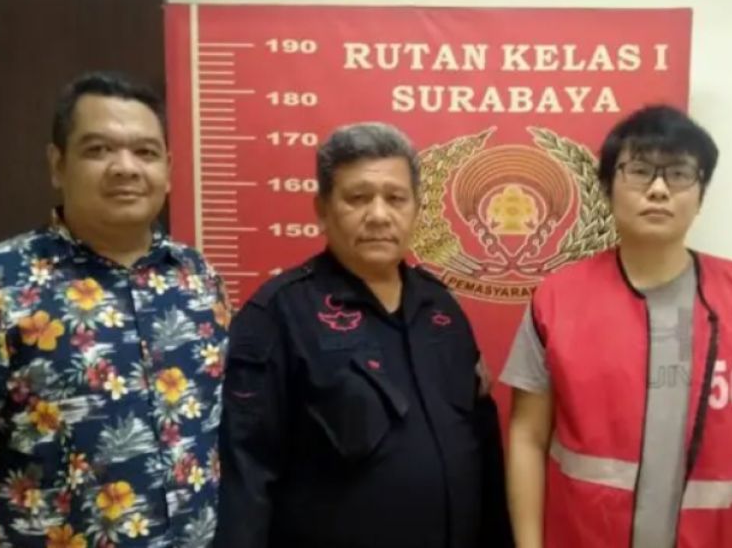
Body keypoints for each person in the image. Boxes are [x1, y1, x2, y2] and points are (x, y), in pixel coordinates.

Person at [0, 72, 231, 548]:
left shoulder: (199, 279)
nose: (125, 168)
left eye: (145, 152)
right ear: (58, 165)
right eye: (98, 149)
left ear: (168, 169)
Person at [502, 105, 732, 548]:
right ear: (608, 188)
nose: (659, 190)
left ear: (701, 195)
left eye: (679, 174)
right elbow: (527, 435)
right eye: (640, 171)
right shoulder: (557, 299)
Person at [214, 122, 512, 548]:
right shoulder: (279, 314)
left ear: (416, 209)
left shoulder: (441, 308)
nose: (378, 215)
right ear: (322, 209)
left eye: (395, 198)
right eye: (358, 198)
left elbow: (481, 445)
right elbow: (246, 473)